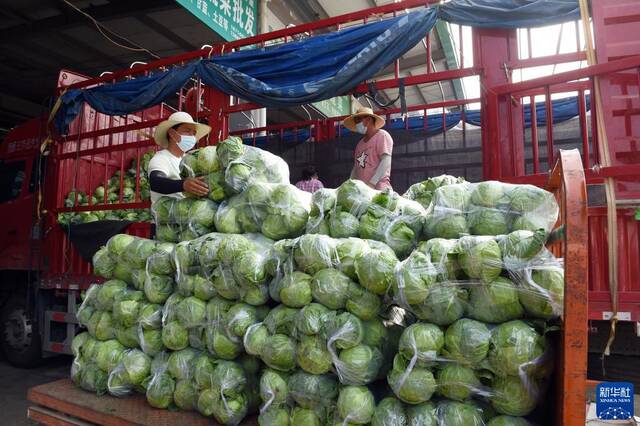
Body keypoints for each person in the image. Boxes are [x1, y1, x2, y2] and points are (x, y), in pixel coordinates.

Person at [148, 111, 212, 205]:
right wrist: (183, 185)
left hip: (188, 216)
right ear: (171, 133)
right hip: (167, 219)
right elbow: (156, 182)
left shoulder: (189, 160)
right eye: (187, 130)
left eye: (194, 133)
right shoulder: (161, 158)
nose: (191, 136)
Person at [343, 107, 393, 190]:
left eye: (358, 120)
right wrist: (350, 185)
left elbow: (386, 160)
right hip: (363, 192)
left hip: (379, 189)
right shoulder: (359, 144)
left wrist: (372, 183)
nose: (356, 124)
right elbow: (356, 168)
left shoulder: (382, 135)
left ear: (368, 119)